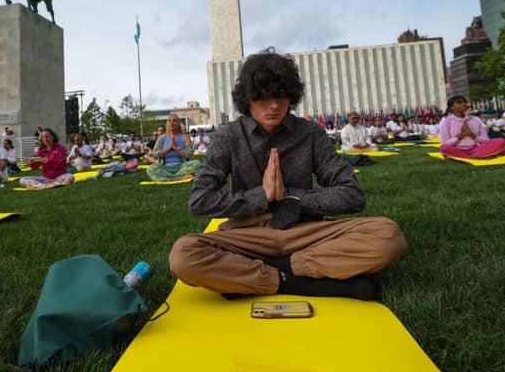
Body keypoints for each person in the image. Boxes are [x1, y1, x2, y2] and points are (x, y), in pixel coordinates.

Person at [169, 50, 405, 299]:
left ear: (291, 96)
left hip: (305, 231)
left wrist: (291, 197)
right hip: (248, 234)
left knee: (389, 236)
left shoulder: (310, 133)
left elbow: (352, 195)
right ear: (247, 99)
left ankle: (263, 276)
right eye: (263, 97)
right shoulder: (228, 136)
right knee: (183, 255)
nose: (273, 105)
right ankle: (304, 282)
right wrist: (261, 195)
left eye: (281, 96)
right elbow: (200, 200)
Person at [439, 96, 505, 158]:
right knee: (444, 148)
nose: (464, 104)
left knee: (501, 141)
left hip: (476, 149)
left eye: (464, 102)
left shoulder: (475, 119)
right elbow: (445, 144)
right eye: (459, 102)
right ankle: (482, 155)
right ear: (451, 107)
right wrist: (460, 136)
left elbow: (485, 140)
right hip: (457, 149)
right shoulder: (446, 122)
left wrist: (472, 135)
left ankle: (474, 156)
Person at [146, 114, 201, 182]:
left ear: (178, 123)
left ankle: (169, 178)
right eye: (169, 121)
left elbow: (190, 155)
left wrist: (175, 148)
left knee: (197, 163)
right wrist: (169, 148)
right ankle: (178, 177)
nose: (172, 123)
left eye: (174, 121)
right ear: (167, 123)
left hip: (182, 166)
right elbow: (154, 154)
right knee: (151, 169)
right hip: (165, 167)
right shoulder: (162, 138)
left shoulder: (185, 137)